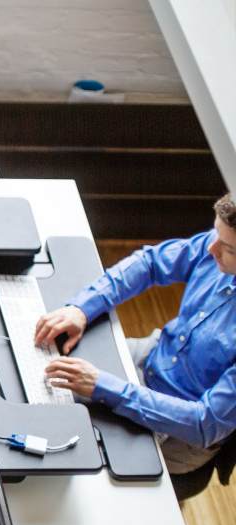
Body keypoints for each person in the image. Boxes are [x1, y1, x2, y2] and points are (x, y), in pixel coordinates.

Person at [35, 193, 236, 500]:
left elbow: (202, 423)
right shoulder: (218, 244)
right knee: (43, 373)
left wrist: (104, 386)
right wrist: (82, 308)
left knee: (80, 474)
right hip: (152, 357)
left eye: (228, 248)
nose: (211, 249)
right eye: (215, 235)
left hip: (179, 425)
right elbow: (151, 263)